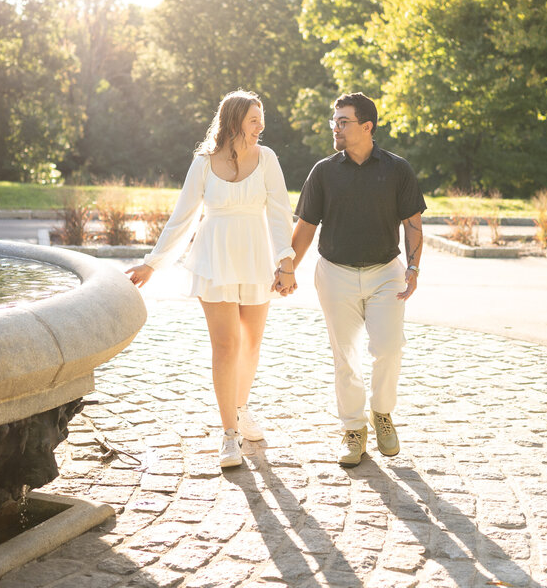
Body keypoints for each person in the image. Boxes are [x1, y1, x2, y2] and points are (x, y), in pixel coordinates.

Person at [126, 90, 295, 469]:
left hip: (255, 257)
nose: (260, 127)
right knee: (226, 345)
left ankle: (241, 407)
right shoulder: (203, 163)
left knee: (251, 344)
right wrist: (153, 263)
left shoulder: (267, 159)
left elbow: (280, 212)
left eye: (261, 120)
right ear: (234, 121)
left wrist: (285, 262)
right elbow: (182, 218)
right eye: (254, 120)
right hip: (214, 258)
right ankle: (229, 433)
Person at [276, 92, 425, 466]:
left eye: (343, 122)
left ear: (367, 126)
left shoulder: (397, 170)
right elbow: (306, 226)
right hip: (335, 274)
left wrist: (413, 268)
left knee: (389, 348)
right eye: (335, 121)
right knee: (346, 356)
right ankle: (354, 429)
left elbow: (413, 223)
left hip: (385, 274)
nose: (335, 128)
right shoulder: (323, 171)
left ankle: (382, 412)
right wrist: (288, 268)